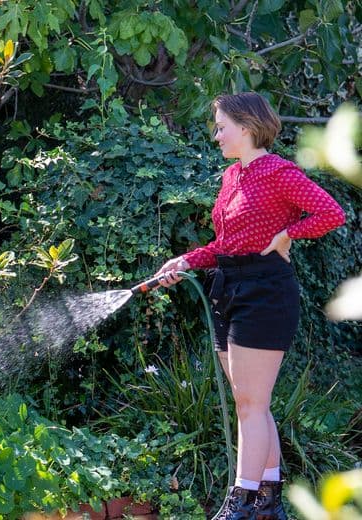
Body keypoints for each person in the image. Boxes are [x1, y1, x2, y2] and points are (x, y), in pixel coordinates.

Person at [155, 92, 345, 520]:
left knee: (250, 405)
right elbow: (225, 244)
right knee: (252, 403)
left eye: (221, 126)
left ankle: (239, 502)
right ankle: (269, 500)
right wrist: (185, 261)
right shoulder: (230, 178)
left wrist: (287, 236)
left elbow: (331, 212)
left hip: (266, 293)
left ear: (246, 127)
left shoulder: (278, 172)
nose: (217, 134)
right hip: (230, 288)